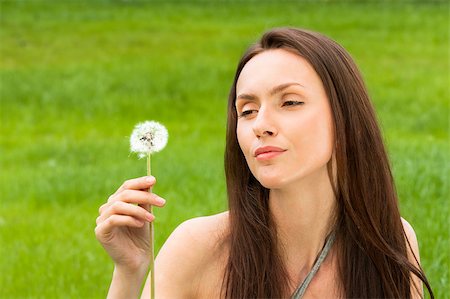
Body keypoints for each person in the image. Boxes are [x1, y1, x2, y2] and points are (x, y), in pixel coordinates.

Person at [95, 27, 434, 298]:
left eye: (289, 102)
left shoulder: (389, 240)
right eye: (248, 110)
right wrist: (130, 271)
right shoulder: (198, 249)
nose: (261, 125)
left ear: (344, 117)